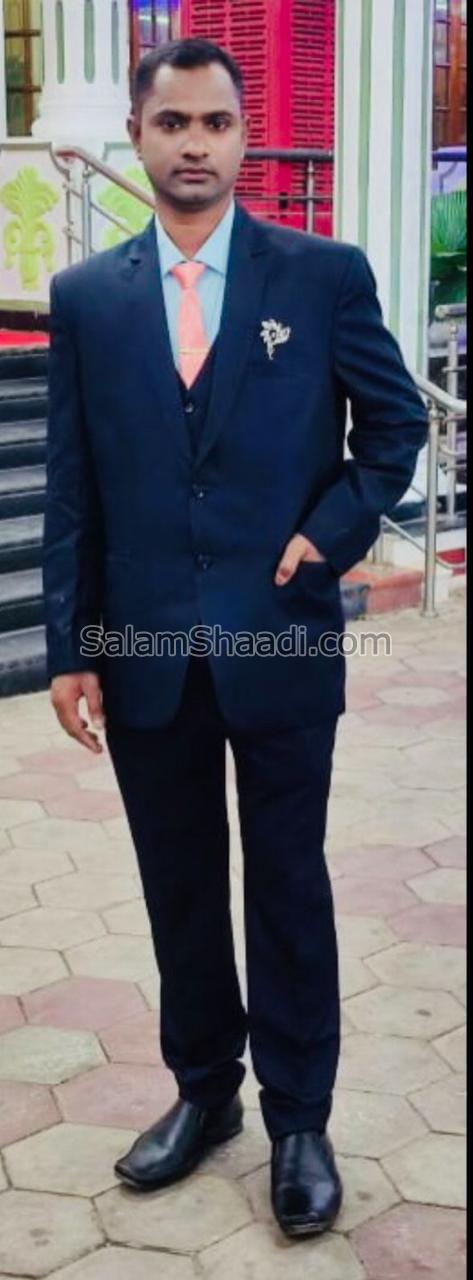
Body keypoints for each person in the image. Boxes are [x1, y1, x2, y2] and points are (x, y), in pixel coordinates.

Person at [43, 37, 428, 1239]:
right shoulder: (88, 297)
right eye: (173, 123)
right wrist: (70, 645)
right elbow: (72, 483)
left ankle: (299, 1117)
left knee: (287, 882)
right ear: (138, 136)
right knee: (178, 884)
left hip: (279, 639)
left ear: (243, 135)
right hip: (143, 645)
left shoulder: (320, 276)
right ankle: (204, 1090)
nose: (195, 144)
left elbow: (394, 426)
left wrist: (328, 530)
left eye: (216, 122)